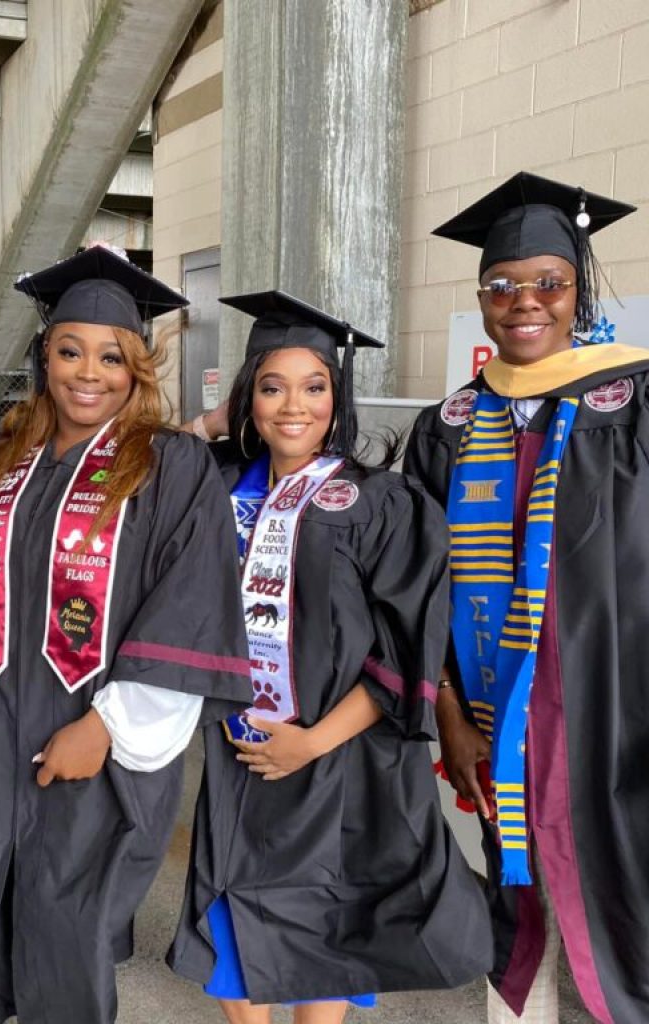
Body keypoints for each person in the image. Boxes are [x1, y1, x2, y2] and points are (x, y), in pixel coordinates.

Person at [168, 291, 494, 1023]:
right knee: (234, 912)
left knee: (327, 919)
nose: (293, 406)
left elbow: (406, 641)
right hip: (241, 754)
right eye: (272, 386)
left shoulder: (379, 502)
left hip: (339, 757)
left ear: (337, 396)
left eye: (314, 386)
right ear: (247, 396)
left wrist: (312, 740)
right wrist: (212, 424)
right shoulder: (215, 487)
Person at [0, 245, 252, 1024]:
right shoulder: (13, 464)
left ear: (137, 367)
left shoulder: (169, 465)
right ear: (43, 357)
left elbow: (190, 603)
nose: (89, 372)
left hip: (97, 750)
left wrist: (107, 725)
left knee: (67, 932)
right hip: (6, 738)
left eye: (112, 356)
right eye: (69, 351)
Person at [404, 171, 649, 1024]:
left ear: (578, 288)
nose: (524, 303)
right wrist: (447, 710)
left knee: (625, 898)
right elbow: (418, 585)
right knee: (520, 893)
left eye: (548, 282)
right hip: (495, 711)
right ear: (481, 298)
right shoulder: (446, 427)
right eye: (502, 287)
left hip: (614, 710)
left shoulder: (636, 399)